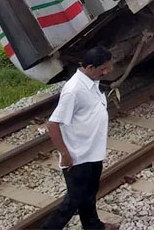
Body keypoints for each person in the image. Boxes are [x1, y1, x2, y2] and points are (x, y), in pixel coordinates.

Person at [43, 46, 118, 230]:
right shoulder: (74, 90)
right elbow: (53, 124)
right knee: (73, 201)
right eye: (103, 68)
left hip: (92, 152)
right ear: (90, 67)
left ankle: (93, 226)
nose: (107, 72)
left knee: (89, 194)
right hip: (78, 157)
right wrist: (65, 154)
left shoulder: (91, 82)